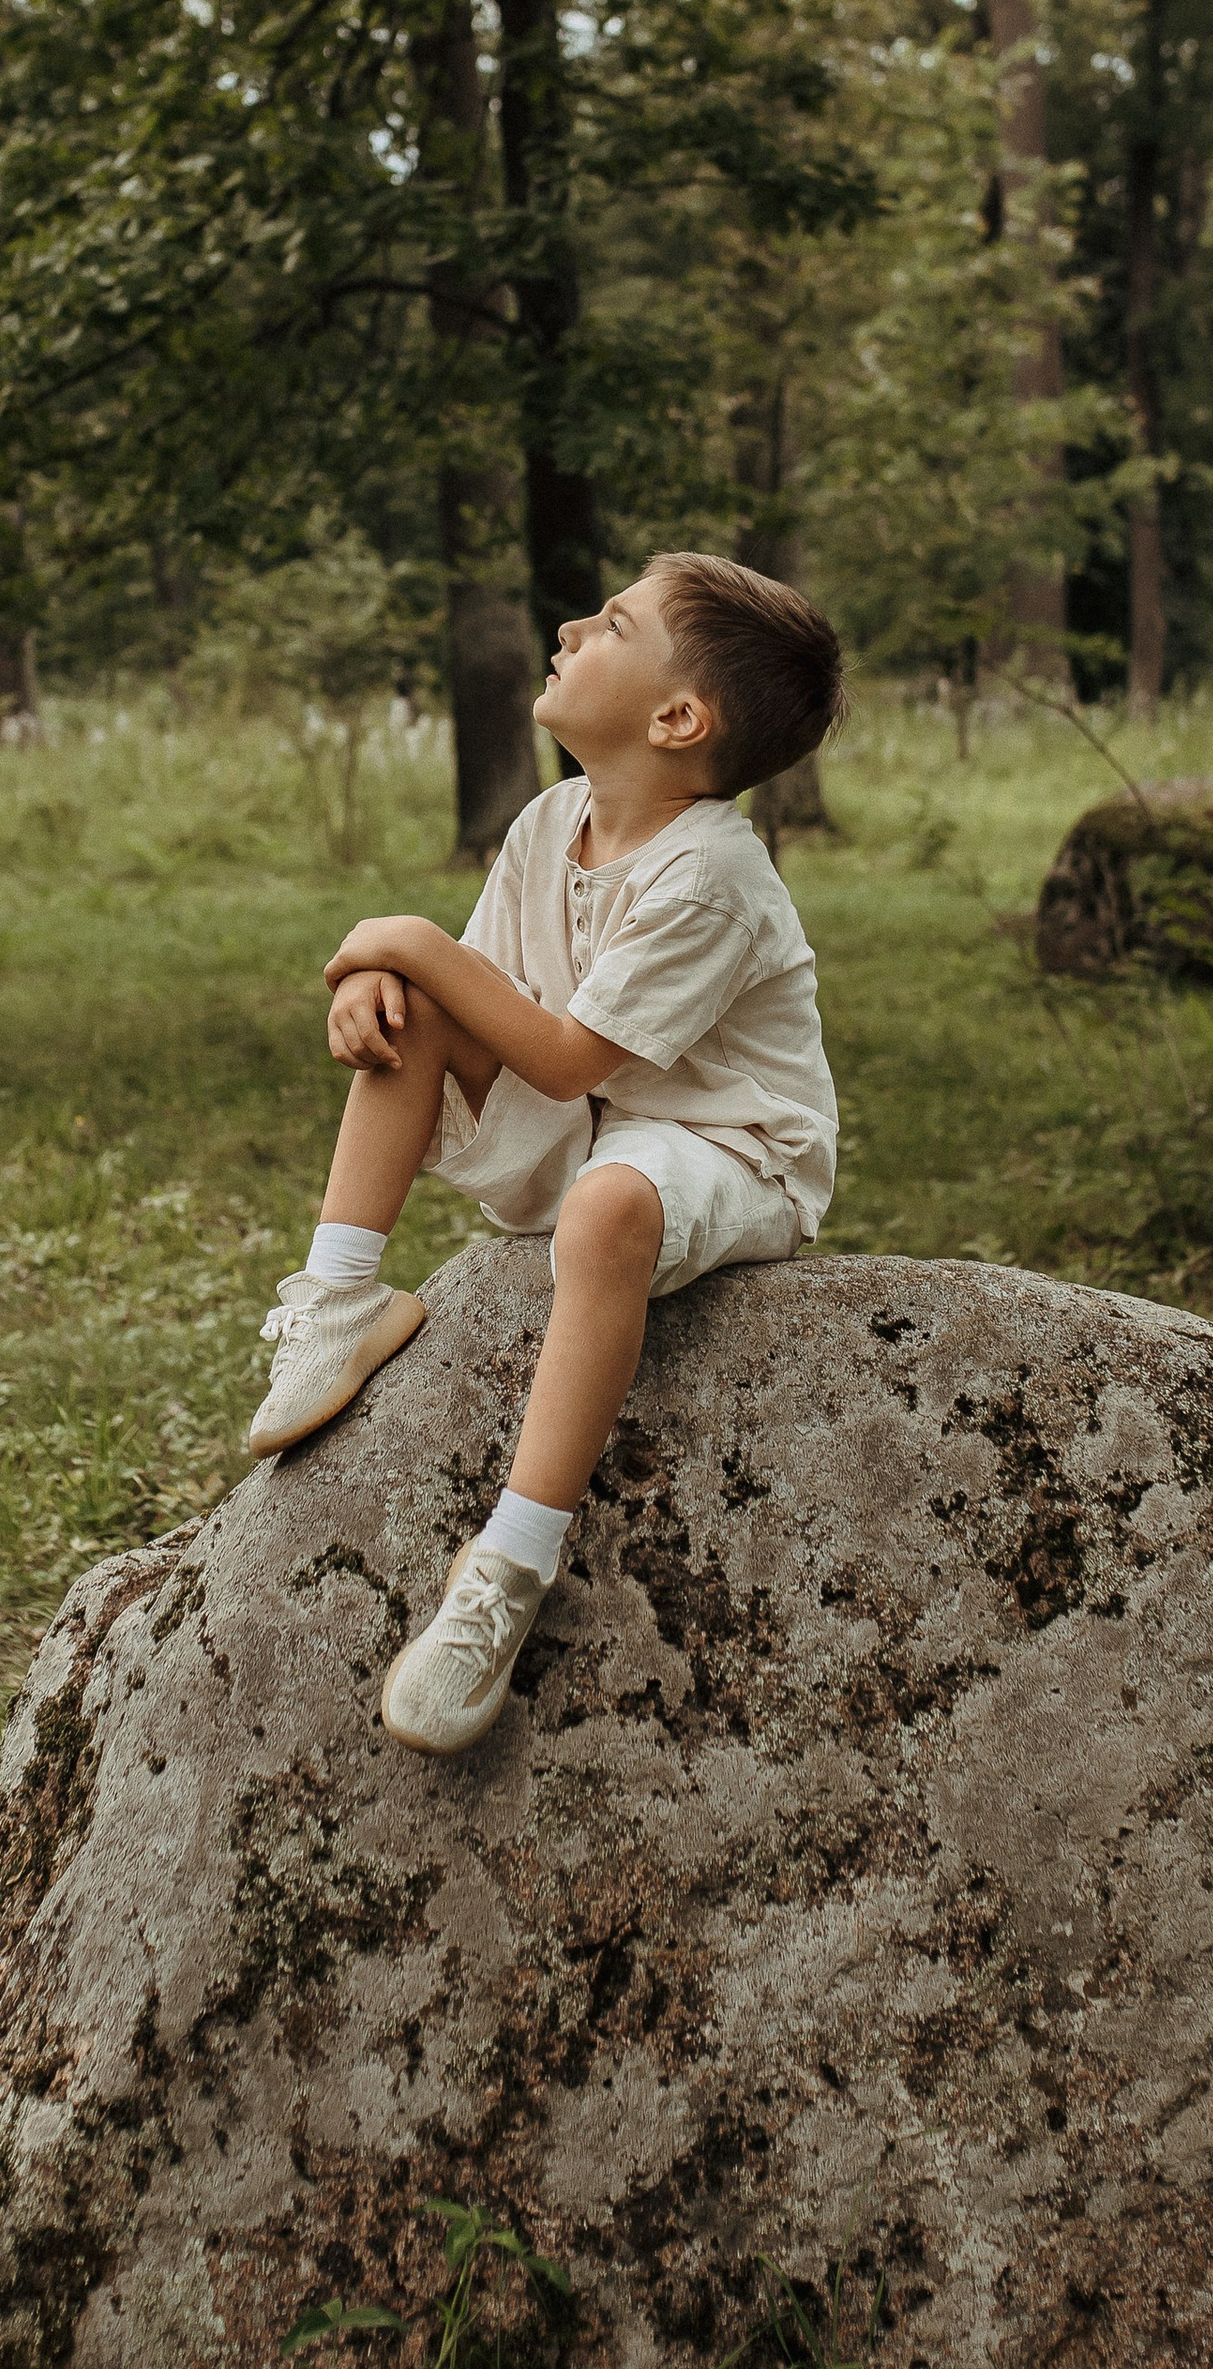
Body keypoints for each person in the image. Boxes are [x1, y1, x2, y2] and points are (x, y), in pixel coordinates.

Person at [246, 553, 845, 1758]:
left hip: (725, 1145)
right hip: (593, 1123)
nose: (572, 624)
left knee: (610, 1209)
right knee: (409, 1012)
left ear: (677, 719)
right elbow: (477, 994)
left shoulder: (713, 872)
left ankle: (510, 1566)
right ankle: (340, 1296)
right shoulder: (547, 821)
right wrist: (381, 978)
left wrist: (401, 935)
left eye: (612, 623)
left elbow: (568, 1055)